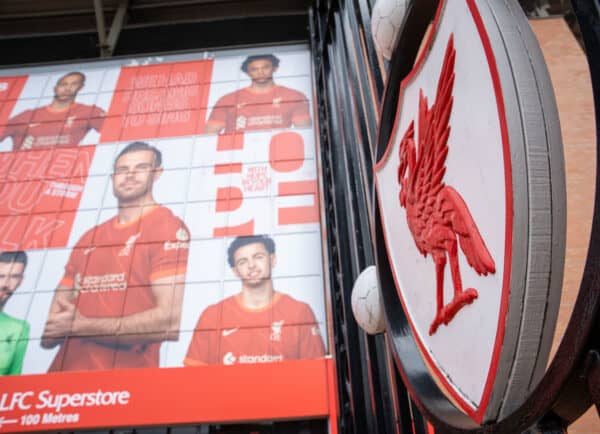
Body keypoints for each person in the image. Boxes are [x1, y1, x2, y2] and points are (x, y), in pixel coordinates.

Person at [41, 141, 189, 372]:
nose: (129, 176)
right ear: (112, 177)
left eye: (140, 168)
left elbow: (169, 322)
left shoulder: (166, 226)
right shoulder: (89, 238)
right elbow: (49, 335)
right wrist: (67, 325)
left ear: (157, 173)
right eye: (122, 170)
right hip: (62, 385)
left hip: (121, 388)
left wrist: (80, 326)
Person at [184, 235, 325, 366]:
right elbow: (193, 379)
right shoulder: (212, 316)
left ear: (273, 259)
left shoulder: (299, 312)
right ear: (235, 271)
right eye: (242, 261)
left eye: (258, 257)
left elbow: (317, 373)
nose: (251, 265)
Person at [205, 54, 312, 133]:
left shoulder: (294, 96)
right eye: (254, 69)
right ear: (247, 73)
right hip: (236, 156)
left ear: (275, 68)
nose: (260, 72)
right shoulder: (228, 100)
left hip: (277, 155)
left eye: (265, 67)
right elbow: (209, 137)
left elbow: (305, 133)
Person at [1, 71, 105, 151]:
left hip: (60, 171)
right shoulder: (26, 116)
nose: (67, 88)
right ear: (55, 88)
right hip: (21, 171)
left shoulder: (88, 112)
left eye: (74, 84)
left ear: (81, 87)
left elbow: (114, 132)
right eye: (63, 84)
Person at [0, 251, 30, 376]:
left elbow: (14, 378)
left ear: (21, 280)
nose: (6, 284)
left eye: (14, 277)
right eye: (0, 276)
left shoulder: (19, 328)